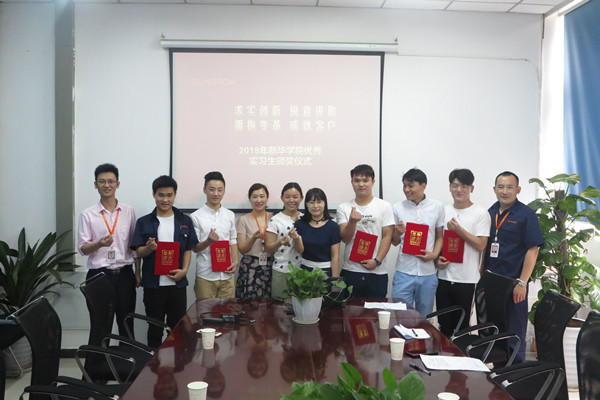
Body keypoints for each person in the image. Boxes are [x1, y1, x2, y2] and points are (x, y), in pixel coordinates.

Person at [131, 175, 198, 348]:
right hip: (153, 286)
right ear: (154, 194)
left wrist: (184, 270)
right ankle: (154, 364)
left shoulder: (185, 220)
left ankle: (177, 363)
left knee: (178, 330)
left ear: (175, 195)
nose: (165, 199)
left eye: (169, 195)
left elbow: (188, 249)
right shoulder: (144, 222)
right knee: (154, 329)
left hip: (177, 285)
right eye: (161, 195)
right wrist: (149, 248)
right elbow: (138, 252)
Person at [483, 171, 543, 363]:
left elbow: (533, 250)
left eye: (510, 187)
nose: (505, 191)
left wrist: (522, 282)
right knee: (494, 330)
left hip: (513, 283)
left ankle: (515, 374)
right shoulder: (490, 212)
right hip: (492, 283)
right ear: (494, 189)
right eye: (501, 187)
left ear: (518, 190)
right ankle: (497, 373)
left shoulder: (526, 215)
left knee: (514, 332)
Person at [78, 163, 138, 337]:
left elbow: (134, 247)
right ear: (95, 184)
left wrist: (137, 272)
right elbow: (83, 248)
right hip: (99, 276)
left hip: (125, 274)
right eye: (102, 181)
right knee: (100, 325)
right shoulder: (87, 214)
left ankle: (127, 355)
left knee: (126, 324)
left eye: (111, 181)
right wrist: (98, 244)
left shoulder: (128, 211)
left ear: (117, 184)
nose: (107, 185)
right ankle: (97, 356)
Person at [435, 169, 491, 337]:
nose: (459, 190)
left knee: (462, 327)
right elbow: (438, 240)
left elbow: (481, 245)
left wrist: (459, 230)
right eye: (455, 185)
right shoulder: (443, 211)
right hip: (444, 277)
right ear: (450, 187)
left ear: (471, 189)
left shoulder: (481, 213)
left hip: (467, 279)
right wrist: (437, 259)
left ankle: (460, 354)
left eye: (464, 186)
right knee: (443, 325)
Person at [391, 168, 444, 316]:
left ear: (423, 185)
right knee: (400, 315)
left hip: (428, 273)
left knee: (424, 317)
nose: (406, 189)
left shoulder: (437, 207)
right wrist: (398, 232)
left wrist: (434, 255)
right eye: (404, 185)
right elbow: (394, 242)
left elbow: (440, 236)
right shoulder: (397, 208)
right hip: (404, 271)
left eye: (410, 185)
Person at [336, 164, 394, 298]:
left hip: (377, 272)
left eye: (365, 180)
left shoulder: (384, 206)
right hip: (351, 270)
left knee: (376, 310)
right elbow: (345, 238)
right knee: (349, 310)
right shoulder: (343, 207)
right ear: (352, 182)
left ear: (373, 182)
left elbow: (387, 236)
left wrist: (377, 261)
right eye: (357, 180)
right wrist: (352, 222)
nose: (361, 184)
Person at [191, 171, 239, 299]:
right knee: (204, 310)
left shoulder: (230, 215)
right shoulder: (196, 216)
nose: (216, 193)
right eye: (212, 189)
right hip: (206, 276)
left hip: (227, 275)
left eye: (219, 190)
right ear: (204, 190)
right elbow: (195, 248)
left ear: (224, 191)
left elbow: (233, 240)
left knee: (228, 310)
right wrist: (208, 242)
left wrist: (235, 261)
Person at [265, 182, 304, 300]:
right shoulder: (275, 220)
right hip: (281, 270)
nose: (291, 200)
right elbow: (268, 248)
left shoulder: (305, 219)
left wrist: (296, 239)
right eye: (287, 197)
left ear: (301, 198)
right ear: (282, 198)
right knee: (279, 307)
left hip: (301, 271)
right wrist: (279, 243)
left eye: (295, 197)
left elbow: (304, 249)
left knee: (299, 307)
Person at [236, 183, 273, 299]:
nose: (259, 200)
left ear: (267, 198)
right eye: (255, 196)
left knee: (271, 303)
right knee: (249, 304)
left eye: (262, 196)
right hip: (250, 266)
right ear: (250, 199)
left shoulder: (274, 218)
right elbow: (242, 249)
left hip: (271, 265)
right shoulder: (243, 220)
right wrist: (253, 238)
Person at [293, 188, 341, 278]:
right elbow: (300, 250)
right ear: (306, 204)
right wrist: (296, 238)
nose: (315, 206)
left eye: (319, 202)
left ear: (324, 203)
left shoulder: (333, 226)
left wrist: (335, 280)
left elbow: (335, 256)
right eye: (311, 202)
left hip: (326, 272)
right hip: (305, 272)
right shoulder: (300, 224)